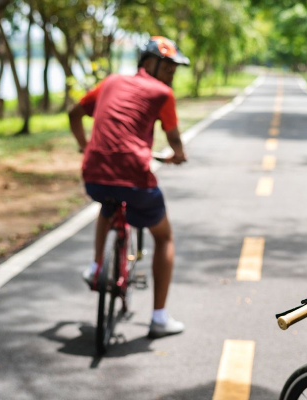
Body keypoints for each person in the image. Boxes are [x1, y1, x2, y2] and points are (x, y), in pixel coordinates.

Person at [68, 36, 189, 339]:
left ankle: (97, 268)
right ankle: (159, 319)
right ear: (148, 62)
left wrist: (86, 148)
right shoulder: (162, 93)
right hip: (135, 178)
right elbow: (173, 139)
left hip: (94, 175)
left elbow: (74, 113)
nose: (171, 73)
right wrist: (178, 156)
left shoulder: (110, 82)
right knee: (164, 237)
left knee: (107, 204)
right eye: (168, 66)